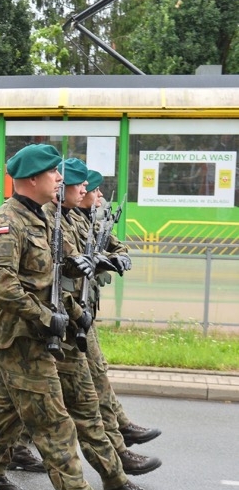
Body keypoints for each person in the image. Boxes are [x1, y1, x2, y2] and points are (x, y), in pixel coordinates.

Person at [0, 144, 142, 490]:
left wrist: (75, 305)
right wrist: (43, 316)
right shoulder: (8, 222)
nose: (60, 179)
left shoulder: (46, 218)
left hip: (51, 337)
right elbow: (1, 286)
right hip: (23, 341)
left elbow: (62, 272)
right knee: (56, 427)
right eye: (54, 173)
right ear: (32, 179)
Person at [79, 170, 162, 449]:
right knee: (88, 378)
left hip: (80, 311)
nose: (100, 196)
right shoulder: (62, 221)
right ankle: (117, 442)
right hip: (63, 314)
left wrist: (116, 258)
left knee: (92, 372)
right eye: (94, 190)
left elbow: (115, 245)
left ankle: (120, 428)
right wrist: (98, 260)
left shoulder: (87, 220)